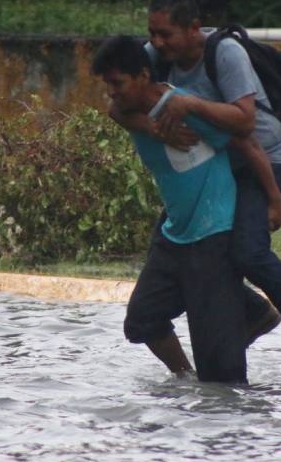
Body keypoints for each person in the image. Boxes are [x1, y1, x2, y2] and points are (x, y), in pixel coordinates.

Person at [109, 0, 281, 370]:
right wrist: (155, 129)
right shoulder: (154, 56)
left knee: (247, 248)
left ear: (194, 29)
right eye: (152, 33)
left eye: (166, 34)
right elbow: (116, 106)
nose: (157, 43)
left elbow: (245, 123)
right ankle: (253, 314)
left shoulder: (226, 53)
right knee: (174, 239)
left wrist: (191, 104)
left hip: (263, 158)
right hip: (223, 160)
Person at [92, 34, 267, 383]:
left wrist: (274, 201)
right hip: (175, 235)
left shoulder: (180, 105)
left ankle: (252, 315)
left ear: (143, 76)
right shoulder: (131, 111)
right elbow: (115, 111)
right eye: (107, 84)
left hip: (212, 233)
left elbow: (245, 142)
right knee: (142, 320)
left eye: (118, 83)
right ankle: (184, 379)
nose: (112, 92)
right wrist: (154, 130)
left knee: (222, 376)